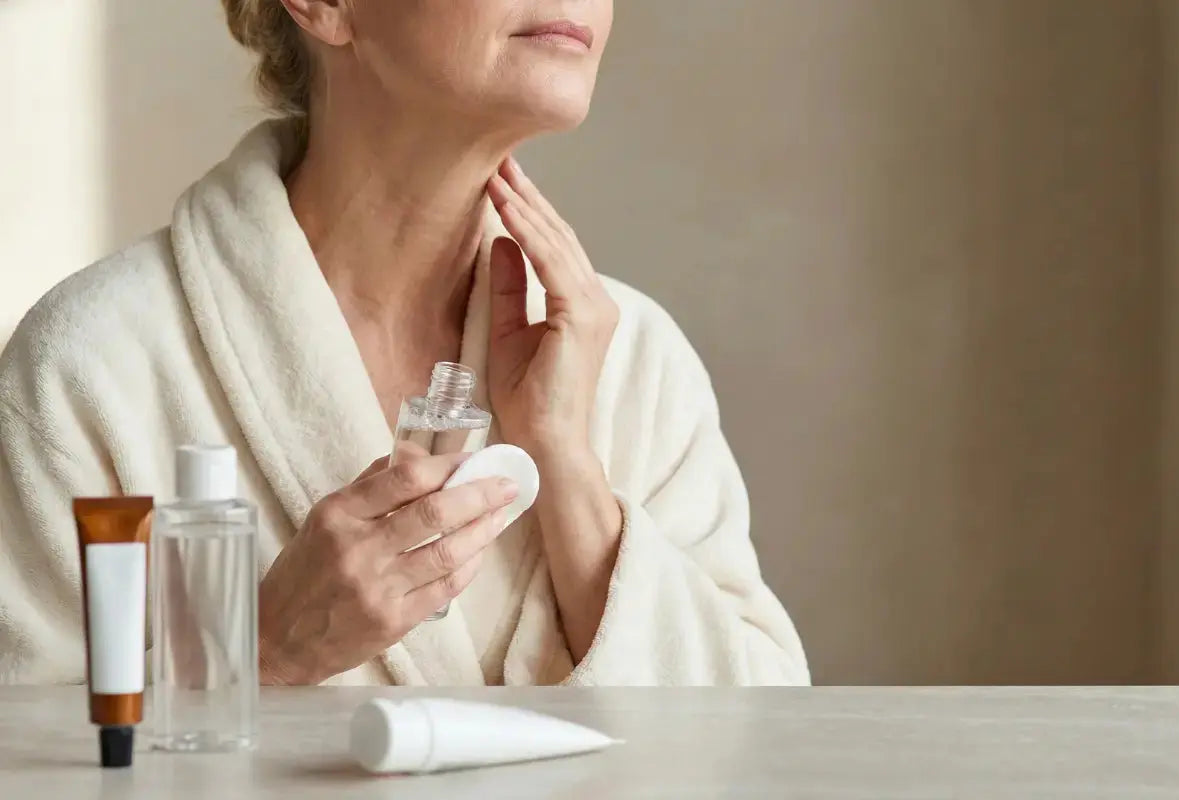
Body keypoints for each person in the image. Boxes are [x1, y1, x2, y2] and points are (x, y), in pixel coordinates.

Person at [0, 0, 808, 686]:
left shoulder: (633, 363)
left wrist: (569, 472)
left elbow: (763, 741)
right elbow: (27, 760)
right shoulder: (92, 366)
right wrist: (261, 652)